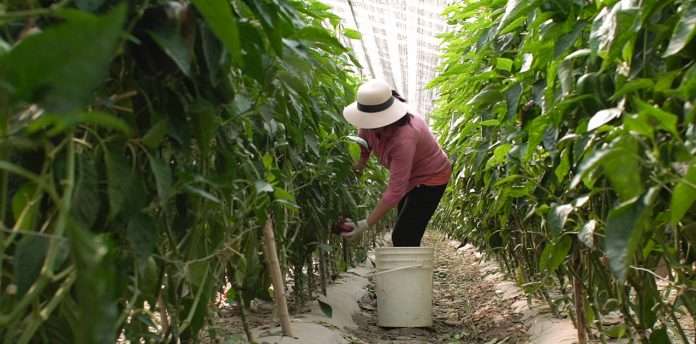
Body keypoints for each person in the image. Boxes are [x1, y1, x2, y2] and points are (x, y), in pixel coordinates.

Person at [341, 79, 452, 247]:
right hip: (410, 178)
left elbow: (394, 191)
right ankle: (411, 265)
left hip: (432, 178)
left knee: (403, 236)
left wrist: (365, 224)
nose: (370, 127)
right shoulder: (368, 124)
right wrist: (350, 184)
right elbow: (362, 152)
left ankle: (413, 271)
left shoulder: (404, 137)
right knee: (406, 230)